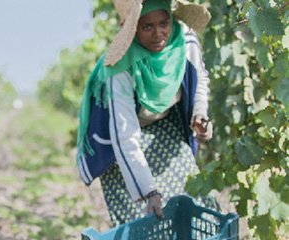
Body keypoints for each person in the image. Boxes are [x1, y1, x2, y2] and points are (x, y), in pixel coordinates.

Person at [75, 0, 217, 225]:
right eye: (147, 27)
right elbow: (125, 136)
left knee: (190, 198)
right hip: (120, 134)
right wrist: (149, 192)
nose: (158, 33)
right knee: (138, 215)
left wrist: (200, 113)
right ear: (132, 30)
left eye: (163, 23)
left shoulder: (185, 41)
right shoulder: (120, 67)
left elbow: (199, 79)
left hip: (165, 121)